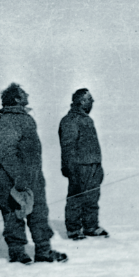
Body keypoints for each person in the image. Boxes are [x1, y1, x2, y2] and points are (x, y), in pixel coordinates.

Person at [0, 83, 67, 264]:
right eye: (23, 93)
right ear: (16, 98)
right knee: (14, 216)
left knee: (39, 213)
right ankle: (17, 254)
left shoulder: (25, 119)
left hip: (32, 179)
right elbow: (7, 152)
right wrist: (18, 177)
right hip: (12, 181)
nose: (28, 94)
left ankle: (44, 251)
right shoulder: (7, 121)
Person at [59, 88, 108, 240]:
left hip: (93, 165)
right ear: (81, 101)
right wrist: (70, 167)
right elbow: (68, 146)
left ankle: (91, 226)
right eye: (89, 100)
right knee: (76, 197)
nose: (92, 103)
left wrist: (97, 165)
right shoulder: (70, 120)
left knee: (92, 197)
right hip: (79, 166)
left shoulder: (87, 119)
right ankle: (73, 229)